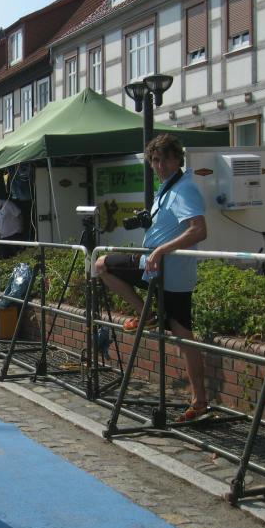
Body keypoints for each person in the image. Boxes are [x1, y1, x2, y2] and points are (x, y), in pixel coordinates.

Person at [95, 134, 208, 423]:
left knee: (184, 337)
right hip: (155, 268)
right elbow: (170, 225)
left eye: (165, 160)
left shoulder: (184, 189)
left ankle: (199, 401)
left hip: (168, 271)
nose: (159, 166)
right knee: (103, 265)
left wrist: (161, 249)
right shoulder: (167, 188)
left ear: (177, 159)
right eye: (155, 161)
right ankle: (199, 400)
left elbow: (198, 230)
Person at [0, 190, 23, 257]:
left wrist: (20, 229)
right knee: (6, 258)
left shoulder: (7, 204)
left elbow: (19, 214)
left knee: (18, 256)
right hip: (3, 238)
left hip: (15, 235)